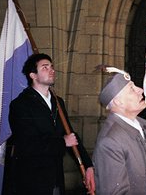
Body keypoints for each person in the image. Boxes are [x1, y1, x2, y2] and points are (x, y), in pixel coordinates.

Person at [8, 53, 95, 195]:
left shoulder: (57, 102)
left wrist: (88, 165)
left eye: (52, 67)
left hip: (55, 177)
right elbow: (27, 144)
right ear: (33, 75)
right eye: (45, 67)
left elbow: (70, 136)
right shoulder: (21, 104)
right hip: (32, 180)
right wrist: (62, 143)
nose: (52, 70)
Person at [93, 70, 146, 194]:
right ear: (118, 102)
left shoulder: (144, 125)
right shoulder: (110, 141)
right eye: (132, 88)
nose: (141, 90)